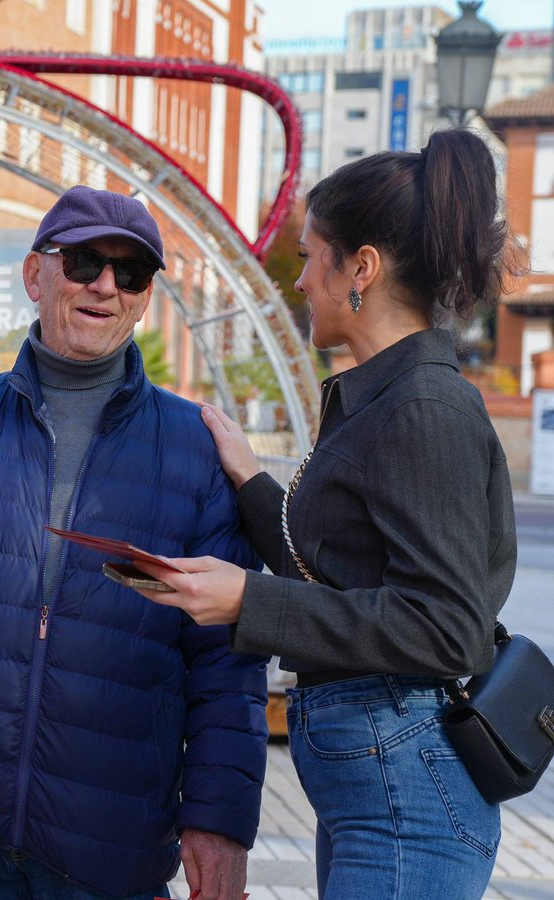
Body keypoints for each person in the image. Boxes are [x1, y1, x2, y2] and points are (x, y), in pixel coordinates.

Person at [0, 185, 269, 900]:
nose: (105, 286)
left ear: (146, 297)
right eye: (86, 262)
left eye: (131, 274)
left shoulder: (193, 449)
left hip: (111, 836)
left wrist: (220, 823)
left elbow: (227, 665)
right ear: (37, 275)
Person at [130, 129, 518, 899]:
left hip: (407, 789)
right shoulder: (383, 396)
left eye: (310, 256)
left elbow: (445, 627)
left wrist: (248, 600)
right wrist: (247, 477)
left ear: (361, 269)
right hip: (380, 782)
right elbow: (333, 574)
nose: (300, 281)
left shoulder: (424, 406)